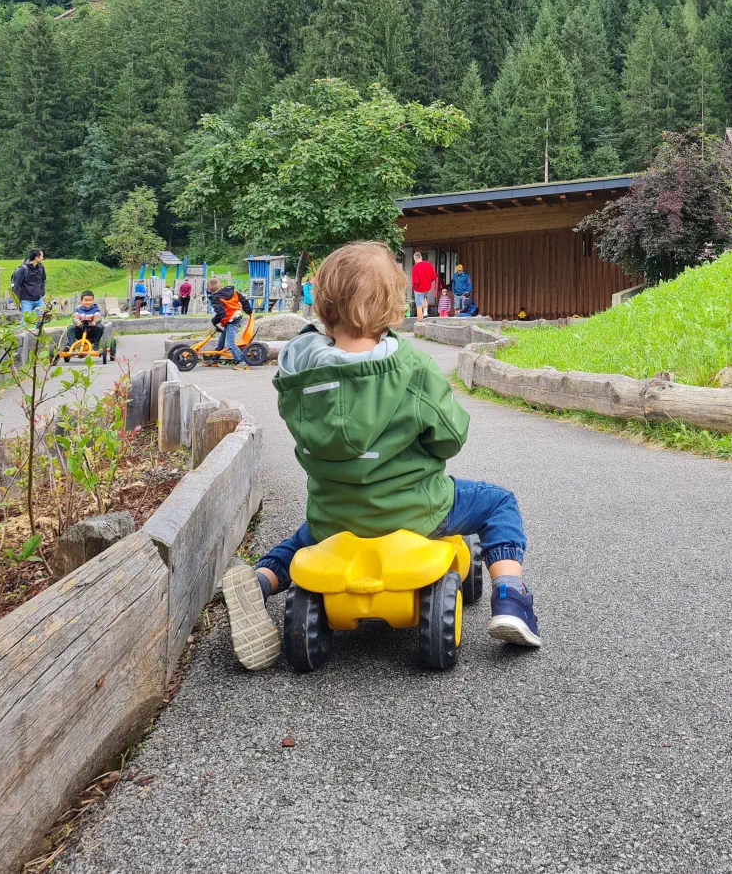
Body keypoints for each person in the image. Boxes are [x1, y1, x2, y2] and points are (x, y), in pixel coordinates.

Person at [221, 241, 541, 671]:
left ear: (323, 306)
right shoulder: (411, 369)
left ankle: (259, 583)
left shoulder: (298, 375)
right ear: (393, 306)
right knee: (497, 503)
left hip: (336, 515)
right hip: (415, 510)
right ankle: (510, 597)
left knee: (303, 539)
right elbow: (450, 437)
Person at [207, 277, 253, 367]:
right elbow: (243, 300)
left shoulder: (215, 299)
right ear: (220, 285)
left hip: (232, 321)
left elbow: (221, 313)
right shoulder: (232, 291)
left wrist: (213, 321)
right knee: (220, 342)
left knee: (230, 344)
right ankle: (214, 360)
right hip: (234, 317)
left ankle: (241, 361)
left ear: (209, 290)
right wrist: (249, 311)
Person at [11, 249, 46, 319]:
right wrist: (17, 302)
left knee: (41, 320)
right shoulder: (22, 269)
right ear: (36, 258)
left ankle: (38, 330)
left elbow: (43, 280)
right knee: (24, 323)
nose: (43, 258)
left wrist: (42, 293)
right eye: (41, 256)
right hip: (26, 301)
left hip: (38, 299)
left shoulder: (41, 268)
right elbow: (16, 286)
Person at [410, 251, 437, 320]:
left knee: (418, 305)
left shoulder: (415, 267)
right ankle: (425, 313)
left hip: (419, 289)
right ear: (421, 257)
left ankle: (420, 321)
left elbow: (414, 281)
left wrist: (413, 287)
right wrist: (428, 282)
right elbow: (434, 277)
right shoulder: (428, 265)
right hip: (427, 288)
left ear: (415, 259)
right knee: (424, 298)